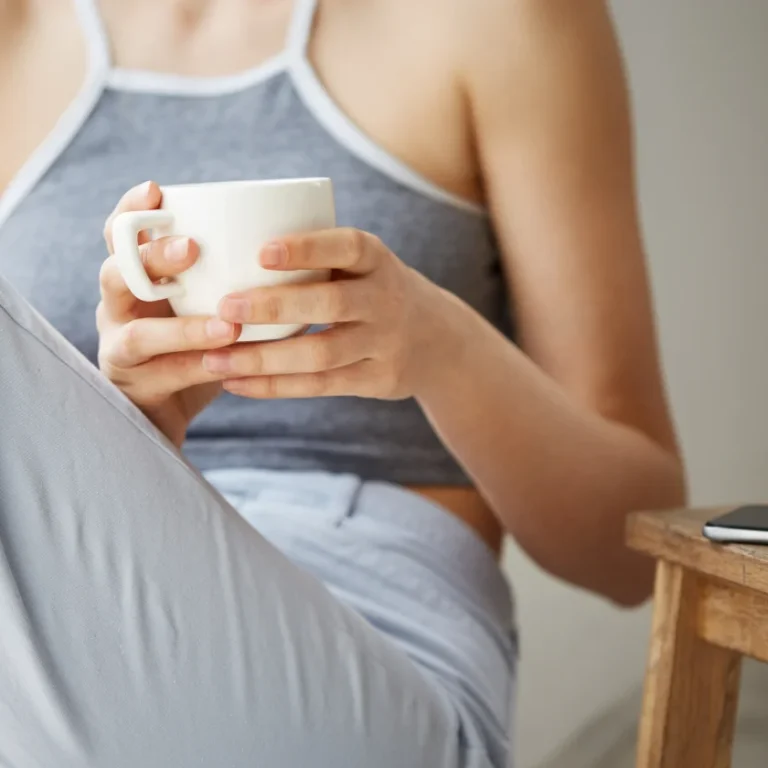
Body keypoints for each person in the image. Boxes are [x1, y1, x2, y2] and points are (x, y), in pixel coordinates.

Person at [0, 0, 686, 765]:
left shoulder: (500, 20)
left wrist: (440, 345)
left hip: (378, 647)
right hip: (84, 628)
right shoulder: (14, 36)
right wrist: (124, 439)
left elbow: (636, 553)